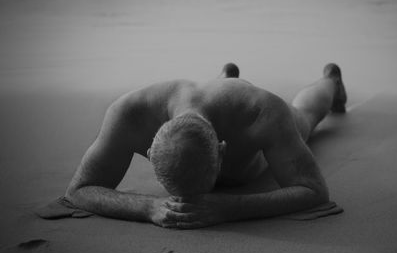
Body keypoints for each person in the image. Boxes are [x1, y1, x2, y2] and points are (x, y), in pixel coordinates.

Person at [64, 63, 347, 229]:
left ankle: (330, 81)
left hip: (239, 111)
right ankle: (225, 79)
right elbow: (78, 190)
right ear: (150, 154)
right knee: (210, 94)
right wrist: (148, 207)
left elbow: (314, 190)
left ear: (223, 150)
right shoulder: (127, 114)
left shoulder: (261, 111)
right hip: (212, 102)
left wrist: (229, 208)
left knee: (306, 117)